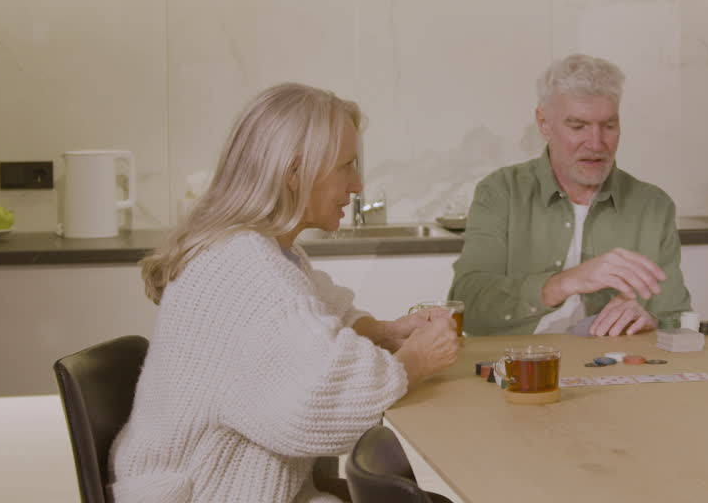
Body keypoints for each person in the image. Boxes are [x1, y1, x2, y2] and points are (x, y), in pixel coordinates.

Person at [110, 83, 460, 503]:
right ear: (294, 172)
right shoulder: (243, 270)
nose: (356, 184)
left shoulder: (262, 250)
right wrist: (415, 360)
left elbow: (320, 318)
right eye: (346, 166)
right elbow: (325, 402)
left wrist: (387, 332)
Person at [450, 54, 692, 337]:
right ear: (544, 123)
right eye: (578, 126)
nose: (596, 143)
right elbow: (468, 308)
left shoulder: (653, 206)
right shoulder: (501, 192)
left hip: (615, 362)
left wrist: (650, 321)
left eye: (609, 126)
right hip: (519, 362)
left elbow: (676, 320)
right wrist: (563, 283)